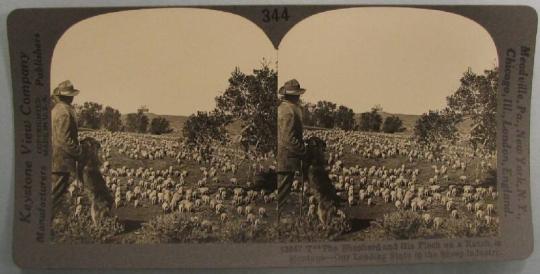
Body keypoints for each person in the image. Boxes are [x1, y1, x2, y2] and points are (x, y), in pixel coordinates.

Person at [276, 79, 306, 221]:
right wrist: (303, 151)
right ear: (294, 96)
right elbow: (288, 138)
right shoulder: (289, 110)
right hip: (287, 159)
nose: (299, 97)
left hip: (284, 158)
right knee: (282, 193)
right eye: (298, 95)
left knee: (282, 191)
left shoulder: (283, 108)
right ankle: (277, 226)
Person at [51, 80, 81, 217]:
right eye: (72, 95)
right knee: (55, 195)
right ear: (69, 96)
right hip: (61, 161)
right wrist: (80, 153)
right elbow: (64, 140)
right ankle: (48, 227)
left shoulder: (56, 109)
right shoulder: (64, 112)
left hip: (56, 159)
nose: (73, 97)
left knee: (55, 193)